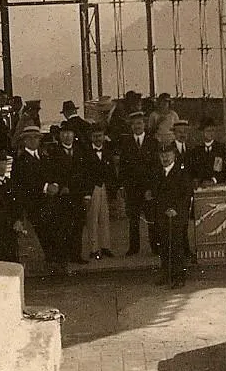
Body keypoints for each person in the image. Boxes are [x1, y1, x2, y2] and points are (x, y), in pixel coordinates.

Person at [11, 126, 67, 278]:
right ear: (24, 141)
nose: (33, 141)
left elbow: (54, 172)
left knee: (54, 232)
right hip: (34, 205)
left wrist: (55, 184)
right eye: (30, 138)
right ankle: (49, 264)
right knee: (43, 235)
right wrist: (45, 187)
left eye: (36, 138)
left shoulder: (44, 156)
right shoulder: (20, 161)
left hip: (50, 202)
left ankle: (56, 262)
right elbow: (23, 184)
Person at [149, 140, 196, 288]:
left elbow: (186, 194)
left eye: (168, 154)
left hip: (177, 215)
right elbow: (155, 193)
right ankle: (165, 272)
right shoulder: (156, 171)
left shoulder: (181, 171)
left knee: (176, 245)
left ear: (174, 155)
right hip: (162, 214)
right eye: (162, 155)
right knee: (163, 244)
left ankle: (179, 276)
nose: (165, 158)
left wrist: (176, 209)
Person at [46, 121, 88, 265]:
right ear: (59, 135)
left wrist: (84, 193)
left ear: (74, 135)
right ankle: (64, 256)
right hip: (62, 197)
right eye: (64, 133)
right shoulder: (54, 152)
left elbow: (84, 174)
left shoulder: (80, 151)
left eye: (69, 133)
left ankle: (76, 254)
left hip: (77, 195)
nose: (67, 136)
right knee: (63, 226)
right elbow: (52, 173)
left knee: (77, 226)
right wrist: (61, 185)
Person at [118, 111, 159, 255]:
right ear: (131, 126)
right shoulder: (126, 143)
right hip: (132, 187)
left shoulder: (153, 142)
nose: (137, 126)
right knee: (133, 220)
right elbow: (122, 166)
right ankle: (134, 248)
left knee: (151, 219)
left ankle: (156, 247)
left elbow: (156, 168)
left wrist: (151, 188)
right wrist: (122, 185)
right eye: (134, 124)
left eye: (140, 123)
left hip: (148, 188)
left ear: (145, 125)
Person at [80, 126, 118, 260]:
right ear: (91, 137)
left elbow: (112, 171)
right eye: (95, 136)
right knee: (92, 219)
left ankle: (105, 246)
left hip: (104, 188)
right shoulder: (85, 152)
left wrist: (113, 188)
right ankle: (94, 249)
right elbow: (83, 174)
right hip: (93, 188)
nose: (98, 139)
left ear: (103, 136)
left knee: (105, 218)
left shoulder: (107, 151)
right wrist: (86, 193)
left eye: (100, 136)